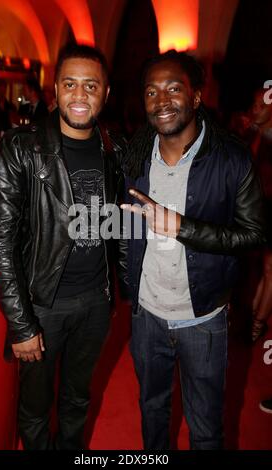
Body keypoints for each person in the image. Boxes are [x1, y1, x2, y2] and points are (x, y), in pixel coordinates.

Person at [0, 43, 128, 450]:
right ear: (55, 91)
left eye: (91, 86)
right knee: (34, 408)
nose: (80, 96)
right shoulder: (20, 149)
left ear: (106, 93)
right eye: (70, 84)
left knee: (77, 400)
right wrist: (22, 324)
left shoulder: (113, 149)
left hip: (96, 304)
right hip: (43, 305)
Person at [121, 50, 265, 450]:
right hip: (147, 317)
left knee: (205, 432)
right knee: (152, 414)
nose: (161, 100)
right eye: (151, 92)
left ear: (196, 96)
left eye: (173, 88)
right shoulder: (134, 157)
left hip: (202, 320)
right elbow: (125, 232)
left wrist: (185, 228)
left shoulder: (232, 158)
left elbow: (254, 235)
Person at [247, 87, 272, 342]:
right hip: (255, 210)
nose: (255, 109)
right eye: (254, 104)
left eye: (260, 105)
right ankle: (250, 317)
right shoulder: (251, 134)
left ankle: (257, 323)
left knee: (270, 268)